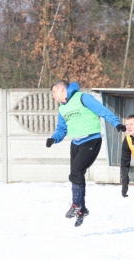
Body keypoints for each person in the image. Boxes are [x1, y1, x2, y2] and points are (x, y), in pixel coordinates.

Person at [46, 80, 126, 227]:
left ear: (62, 89)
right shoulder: (62, 108)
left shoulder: (83, 98)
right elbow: (61, 129)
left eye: (53, 92)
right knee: (76, 175)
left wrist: (116, 123)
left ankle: (76, 204)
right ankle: (82, 210)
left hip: (91, 141)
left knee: (76, 171)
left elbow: (102, 110)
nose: (52, 96)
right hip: (75, 143)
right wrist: (53, 138)